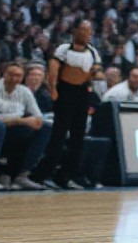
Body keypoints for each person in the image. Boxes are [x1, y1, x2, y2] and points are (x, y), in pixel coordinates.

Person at [30, 20, 100, 190]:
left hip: (82, 94)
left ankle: (67, 175)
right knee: (58, 135)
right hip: (65, 92)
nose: (85, 33)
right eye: (82, 29)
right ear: (75, 31)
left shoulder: (92, 51)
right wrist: (53, 89)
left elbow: (94, 71)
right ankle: (42, 175)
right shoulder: (64, 49)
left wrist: (91, 81)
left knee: (78, 137)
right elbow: (53, 69)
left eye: (88, 30)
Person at [0, 61, 47, 190]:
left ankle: (22, 175)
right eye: (11, 74)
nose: (14, 78)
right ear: (4, 74)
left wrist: (34, 121)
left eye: (18, 75)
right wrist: (20, 120)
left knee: (45, 128)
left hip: (15, 128)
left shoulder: (24, 91)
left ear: (22, 77)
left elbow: (38, 115)